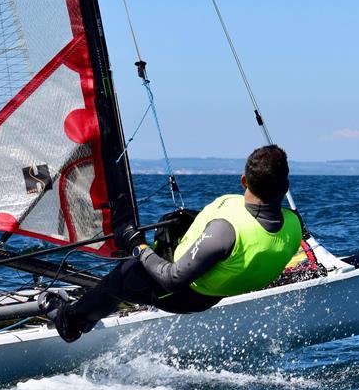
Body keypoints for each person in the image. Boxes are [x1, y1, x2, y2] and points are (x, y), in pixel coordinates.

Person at [44, 144, 303, 342]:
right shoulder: (294, 224)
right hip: (215, 288)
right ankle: (105, 303)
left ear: (244, 181)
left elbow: (173, 278)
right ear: (286, 185)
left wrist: (137, 245)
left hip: (182, 295)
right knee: (167, 235)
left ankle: (70, 322)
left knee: (122, 278)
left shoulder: (227, 230)